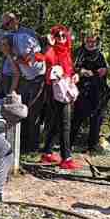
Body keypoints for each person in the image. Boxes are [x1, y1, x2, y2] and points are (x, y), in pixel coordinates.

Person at [37, 25, 79, 170]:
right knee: (65, 124)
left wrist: (74, 75)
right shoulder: (52, 51)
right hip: (55, 91)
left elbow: (69, 69)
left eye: (63, 35)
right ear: (53, 37)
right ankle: (66, 158)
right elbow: (40, 57)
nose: (61, 38)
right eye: (58, 36)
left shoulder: (66, 51)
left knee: (57, 122)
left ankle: (47, 153)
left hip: (64, 89)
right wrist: (49, 44)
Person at [72, 31, 110, 152]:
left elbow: (106, 68)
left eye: (93, 41)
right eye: (88, 40)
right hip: (82, 88)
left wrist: (104, 70)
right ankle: (69, 143)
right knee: (78, 116)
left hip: (97, 89)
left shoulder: (100, 53)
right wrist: (81, 71)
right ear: (84, 40)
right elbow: (73, 67)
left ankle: (92, 146)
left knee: (96, 117)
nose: (91, 43)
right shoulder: (79, 52)